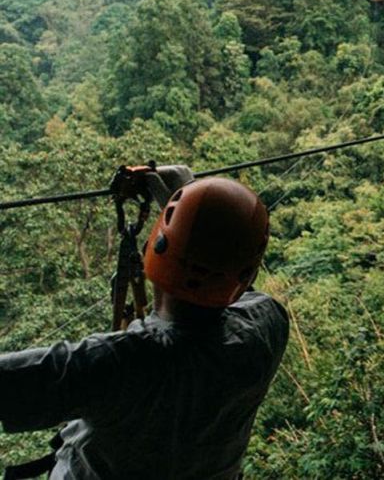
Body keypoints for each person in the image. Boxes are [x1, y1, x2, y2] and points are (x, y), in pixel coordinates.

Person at [0, 166, 289, 480]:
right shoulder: (268, 329)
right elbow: (233, 284)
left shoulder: (119, 364)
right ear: (246, 273)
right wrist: (187, 196)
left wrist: (181, 198)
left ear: (153, 248)